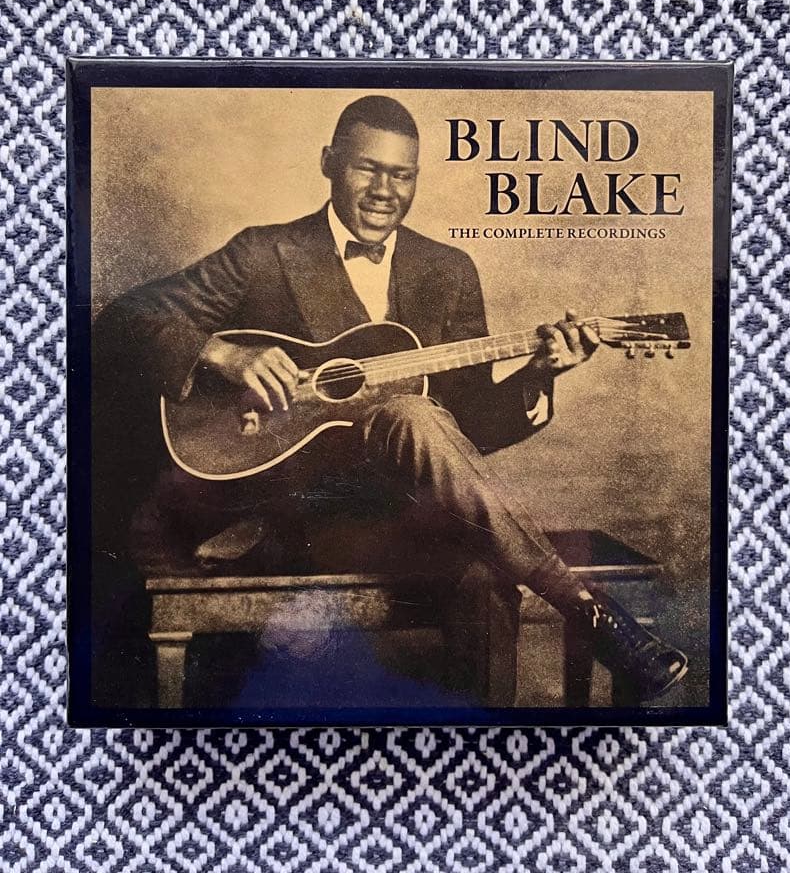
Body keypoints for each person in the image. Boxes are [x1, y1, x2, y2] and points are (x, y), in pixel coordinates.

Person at [93, 95, 688, 705]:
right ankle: (589, 612)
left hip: (410, 517)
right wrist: (224, 354)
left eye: (402, 175)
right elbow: (123, 319)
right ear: (329, 162)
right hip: (296, 517)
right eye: (367, 169)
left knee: (432, 455)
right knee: (411, 413)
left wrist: (539, 372)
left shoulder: (448, 270)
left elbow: (467, 429)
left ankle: (532, 679)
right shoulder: (265, 253)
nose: (385, 191)